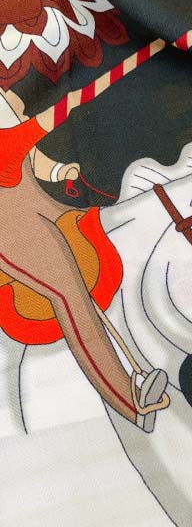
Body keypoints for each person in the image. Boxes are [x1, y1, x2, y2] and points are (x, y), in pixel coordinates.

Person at [0, 90, 166, 433]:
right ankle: (130, 401)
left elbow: (32, 157)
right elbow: (24, 137)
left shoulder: (7, 103)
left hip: (39, 202)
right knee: (69, 295)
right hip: (9, 225)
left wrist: (59, 170)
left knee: (100, 228)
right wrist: (69, 103)